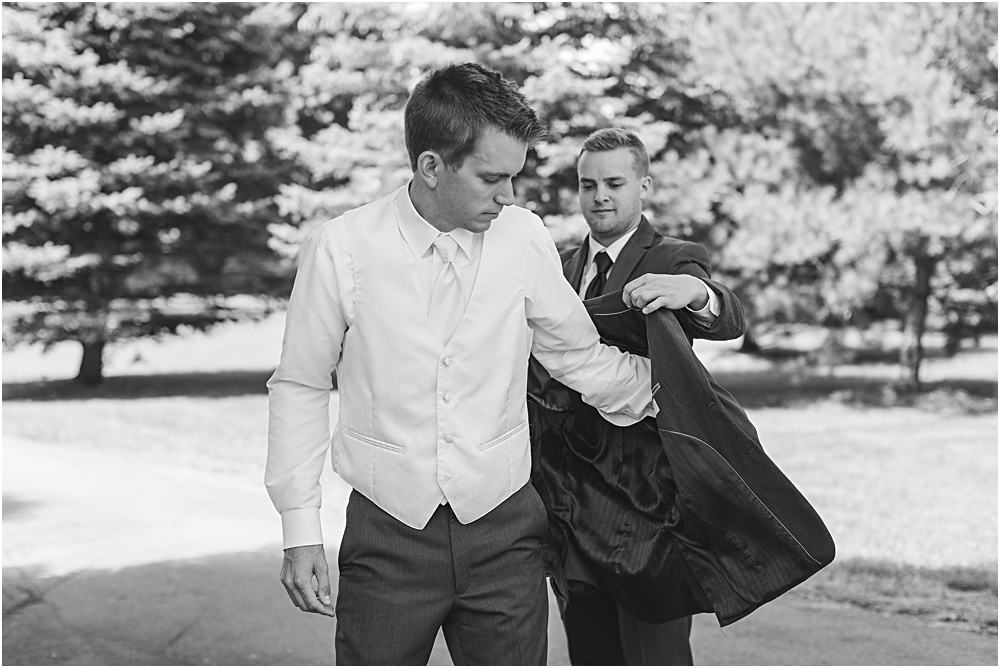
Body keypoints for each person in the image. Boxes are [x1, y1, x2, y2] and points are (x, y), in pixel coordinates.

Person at [265, 64, 663, 666]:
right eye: (490, 178)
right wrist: (300, 528)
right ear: (431, 167)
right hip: (388, 535)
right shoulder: (341, 248)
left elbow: (577, 356)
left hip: (506, 531)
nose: (507, 196)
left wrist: (668, 392)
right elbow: (299, 385)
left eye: (513, 178)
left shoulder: (523, 237)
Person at [530, 128, 747, 666]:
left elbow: (728, 316)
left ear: (643, 184)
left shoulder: (675, 257)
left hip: (647, 501)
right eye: (588, 184)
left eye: (614, 182)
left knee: (657, 654)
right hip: (571, 500)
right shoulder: (557, 268)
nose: (600, 195)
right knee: (591, 649)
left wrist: (697, 294)